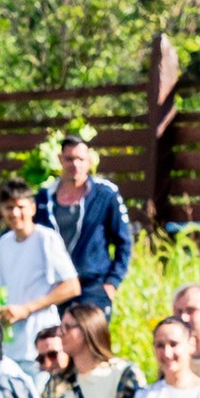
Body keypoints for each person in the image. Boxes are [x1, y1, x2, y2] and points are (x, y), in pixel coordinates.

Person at [46, 130, 133, 318]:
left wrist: (111, 284)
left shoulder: (105, 194)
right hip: (55, 288)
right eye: (69, 159)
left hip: (93, 287)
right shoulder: (45, 198)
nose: (75, 165)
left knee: (91, 345)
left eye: (80, 159)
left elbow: (124, 242)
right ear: (61, 159)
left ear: (89, 161)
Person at [0, 180, 79, 366]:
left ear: (32, 208)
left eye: (20, 207)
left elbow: (72, 286)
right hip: (11, 347)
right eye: (9, 207)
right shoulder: (4, 243)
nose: (15, 213)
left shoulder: (46, 238)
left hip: (43, 345)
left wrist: (27, 308)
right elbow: (3, 291)